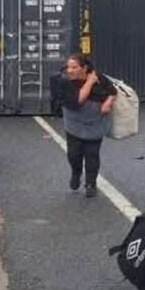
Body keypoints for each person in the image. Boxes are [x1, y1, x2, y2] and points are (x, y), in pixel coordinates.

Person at [61, 54, 116, 198]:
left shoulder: (99, 77)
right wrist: (90, 82)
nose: (70, 70)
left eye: (74, 67)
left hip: (95, 122)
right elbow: (79, 100)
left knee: (92, 154)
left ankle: (91, 183)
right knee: (74, 154)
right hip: (74, 124)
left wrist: (107, 102)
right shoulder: (64, 82)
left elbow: (112, 91)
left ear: (84, 68)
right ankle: (76, 172)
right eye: (69, 67)